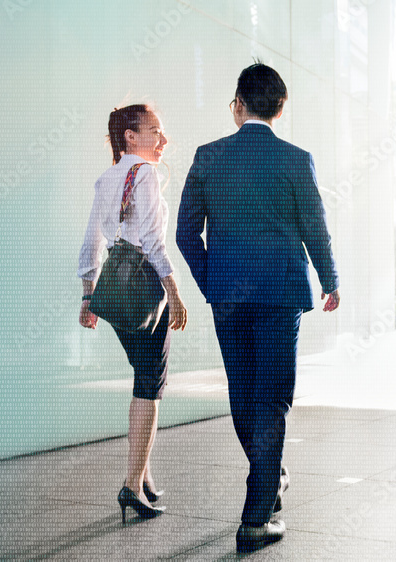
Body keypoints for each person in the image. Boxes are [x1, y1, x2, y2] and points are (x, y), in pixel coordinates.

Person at [176, 63, 340, 553]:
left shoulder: (208, 157)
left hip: (228, 294)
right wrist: (331, 280)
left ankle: (269, 479)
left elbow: (186, 234)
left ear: (237, 106)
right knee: (272, 399)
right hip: (280, 293)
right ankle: (256, 513)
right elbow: (316, 228)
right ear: (281, 109)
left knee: (243, 395)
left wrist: (213, 283)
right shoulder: (296, 160)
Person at [77, 104, 187, 521]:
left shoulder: (107, 178)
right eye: (154, 131)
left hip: (114, 287)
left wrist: (88, 294)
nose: (162, 139)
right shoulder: (145, 173)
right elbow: (154, 242)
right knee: (150, 385)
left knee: (142, 376)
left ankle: (142, 477)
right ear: (130, 136)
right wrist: (174, 290)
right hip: (144, 286)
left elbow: (92, 238)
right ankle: (130, 485)